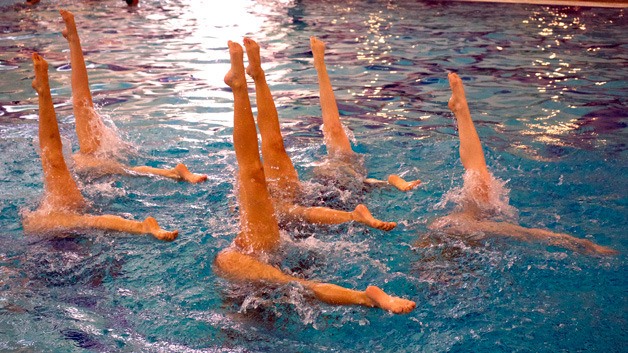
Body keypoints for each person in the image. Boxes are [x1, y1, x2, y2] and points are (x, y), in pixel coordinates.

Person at [213, 41, 416, 314]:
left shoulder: (239, 261)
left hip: (264, 250)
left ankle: (246, 82)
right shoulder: (252, 253)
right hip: (275, 244)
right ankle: (252, 78)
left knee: (260, 171)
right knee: (266, 162)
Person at [242, 36, 420, 231]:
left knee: (287, 206)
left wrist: (401, 183)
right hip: (326, 203)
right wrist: (400, 183)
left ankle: (314, 65)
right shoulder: (353, 174)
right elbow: (390, 179)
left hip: (322, 207)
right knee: (333, 131)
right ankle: (318, 64)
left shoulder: (345, 181)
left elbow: (389, 180)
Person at [428, 72, 617, 256]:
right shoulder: (466, 229)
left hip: (456, 233)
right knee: (479, 182)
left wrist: (581, 245)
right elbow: (533, 234)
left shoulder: (463, 229)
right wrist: (582, 244)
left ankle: (461, 110)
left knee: (479, 184)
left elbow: (531, 235)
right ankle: (461, 110)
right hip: (457, 232)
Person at [22, 53, 178, 241]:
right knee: (80, 214)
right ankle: (142, 225)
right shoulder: (88, 160)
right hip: (83, 211)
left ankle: (43, 91)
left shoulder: (46, 216)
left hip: (66, 222)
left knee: (55, 172)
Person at [59, 10, 207, 183]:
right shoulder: (87, 155)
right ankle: (73, 40)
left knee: (82, 104)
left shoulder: (83, 160)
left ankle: (173, 173)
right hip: (101, 155)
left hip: (91, 160)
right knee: (82, 103)